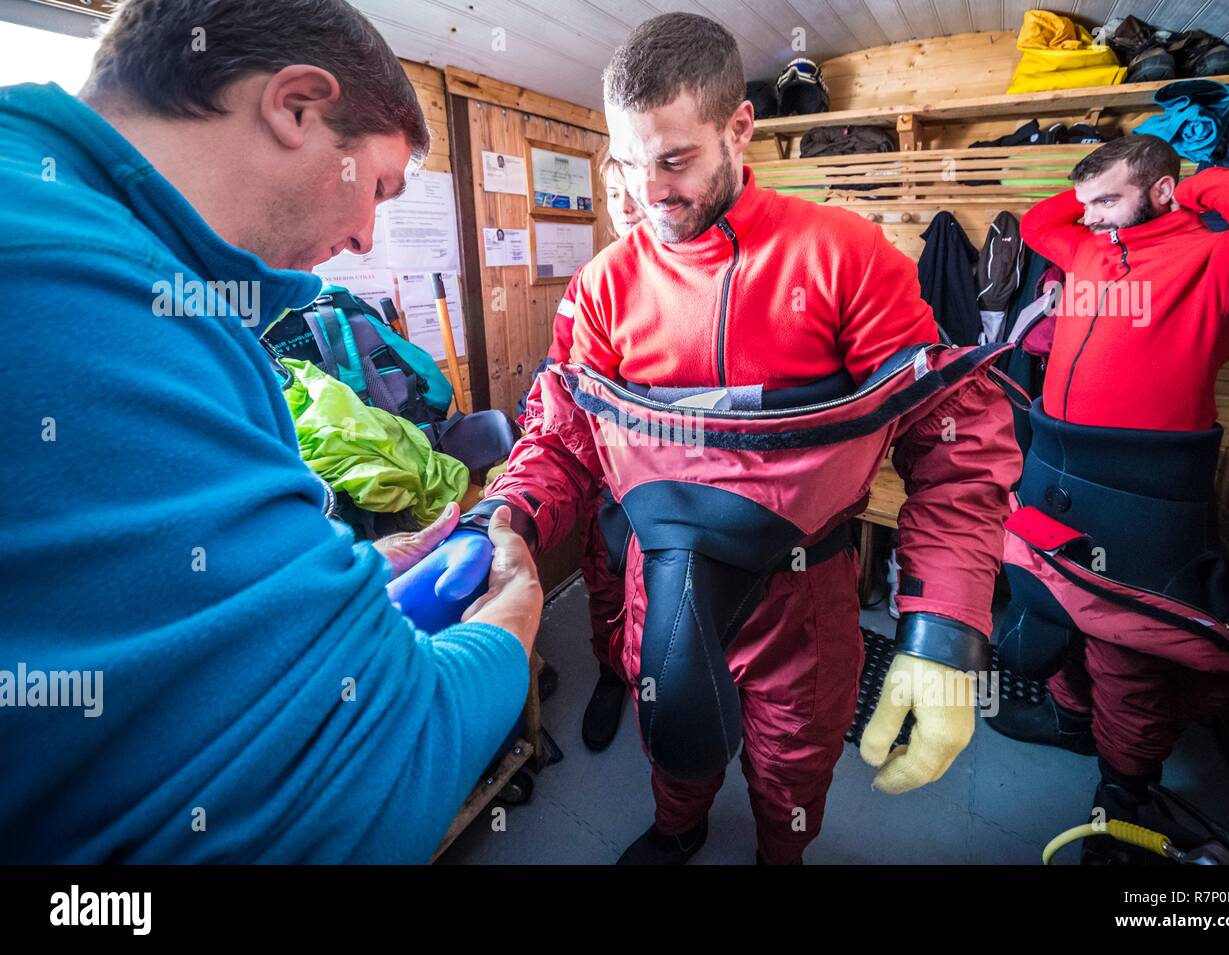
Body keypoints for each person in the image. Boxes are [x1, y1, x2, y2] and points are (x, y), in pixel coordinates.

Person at [468, 12, 1021, 864]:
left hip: (804, 591)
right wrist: (503, 519)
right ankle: (679, 829)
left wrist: (945, 627)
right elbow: (562, 434)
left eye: (676, 159)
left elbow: (955, 441)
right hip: (667, 578)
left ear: (738, 128)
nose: (649, 192)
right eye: (629, 162)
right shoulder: (606, 286)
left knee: (794, 758)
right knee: (672, 732)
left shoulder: (845, 257)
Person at [0, 0, 541, 863]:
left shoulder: (107, 244)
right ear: (295, 107)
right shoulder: (89, 292)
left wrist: (349, 567)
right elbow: (370, 780)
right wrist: (513, 616)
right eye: (376, 186)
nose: (367, 236)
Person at [988, 134, 1229, 862]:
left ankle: (1124, 788)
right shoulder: (1092, 250)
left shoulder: (1217, 257)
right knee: (1047, 601)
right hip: (1055, 462)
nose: (1090, 218)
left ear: (1160, 192)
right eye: (1087, 203)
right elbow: (1038, 224)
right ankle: (1069, 722)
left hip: (1145, 486)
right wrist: (1097, 191)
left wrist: (1189, 188)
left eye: (1107, 201)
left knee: (1125, 648)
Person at [519, 148, 646, 752]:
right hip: (607, 475)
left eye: (633, 187)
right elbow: (560, 373)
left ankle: (677, 691)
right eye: (611, 191)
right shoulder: (592, 280)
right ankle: (612, 675)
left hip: (682, 486)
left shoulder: (711, 277)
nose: (622, 205)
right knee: (607, 581)